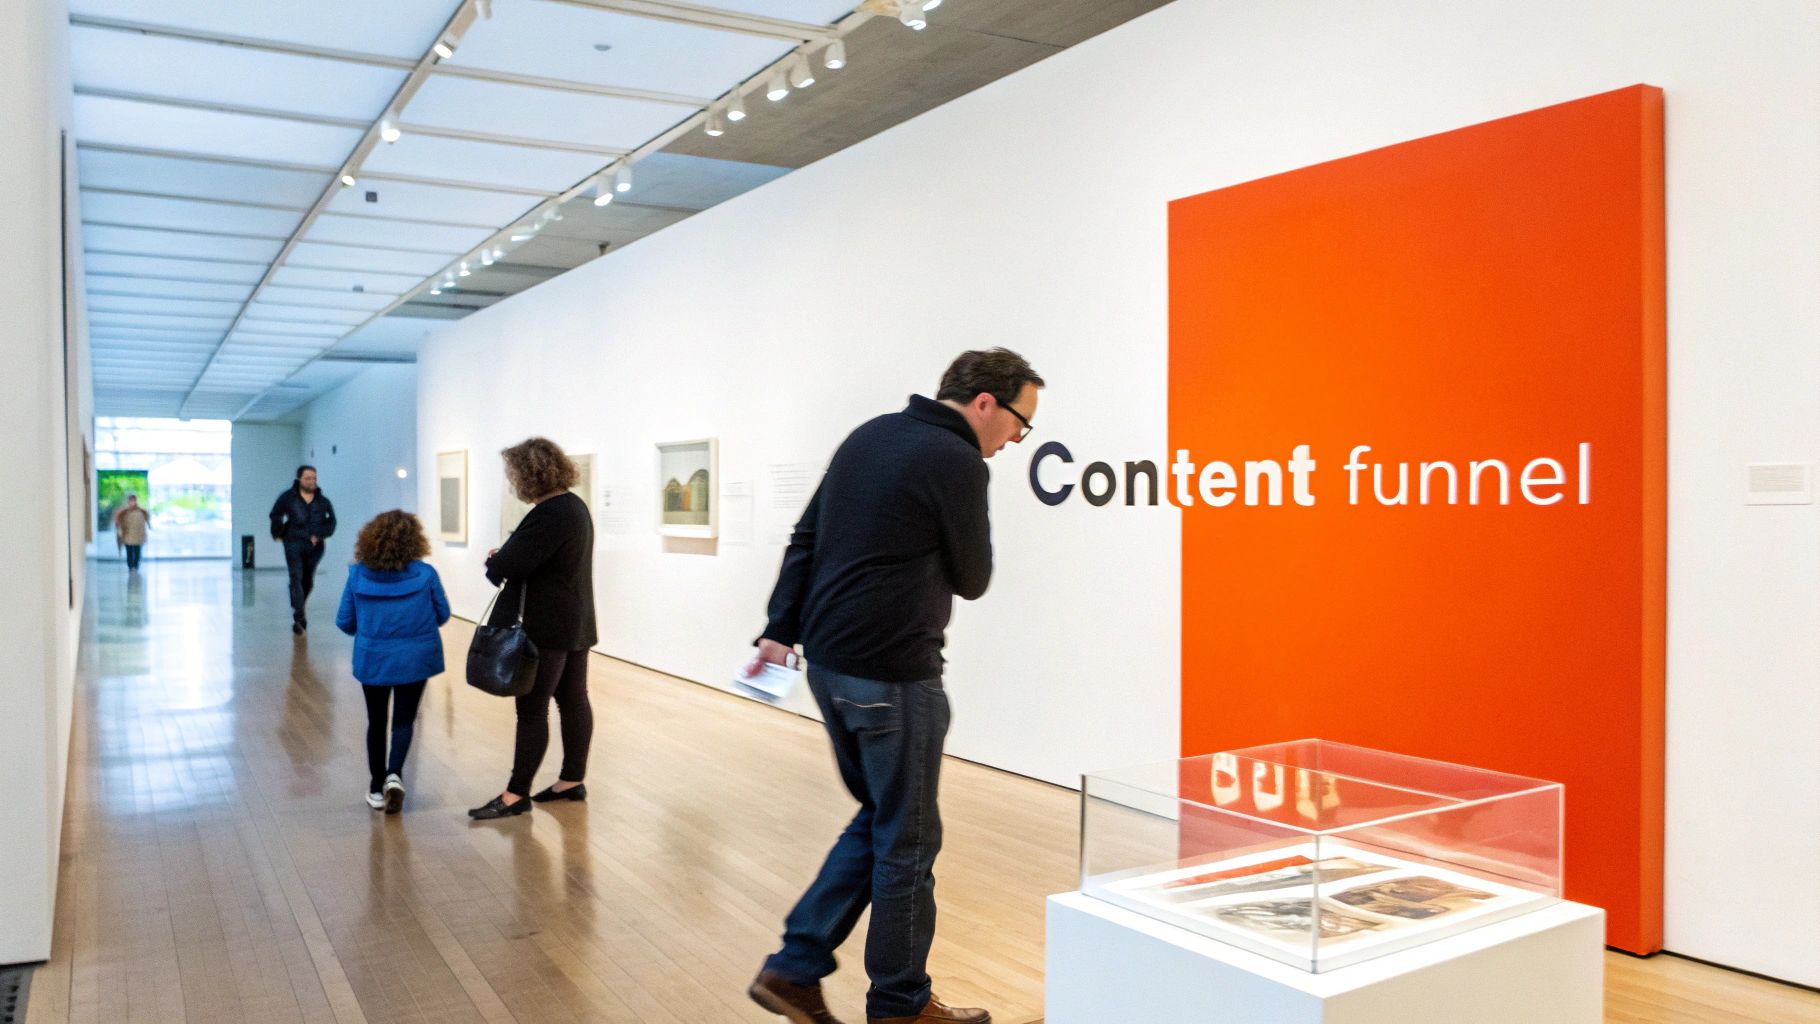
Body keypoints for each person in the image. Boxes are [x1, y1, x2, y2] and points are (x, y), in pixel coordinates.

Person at [745, 348, 1043, 1024]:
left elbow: (805, 538)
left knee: (883, 818)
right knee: (908, 842)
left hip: (829, 663)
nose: (1017, 440)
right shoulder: (958, 459)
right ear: (986, 404)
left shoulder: (870, 434)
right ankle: (901, 1006)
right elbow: (974, 577)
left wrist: (778, 628)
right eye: (1021, 424)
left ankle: (795, 968)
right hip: (895, 673)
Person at [468, 437, 599, 821]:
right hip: (575, 620)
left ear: (529, 474)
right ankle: (571, 780)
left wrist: (497, 559)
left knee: (532, 707)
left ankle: (515, 794)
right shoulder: (574, 507)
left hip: (545, 625)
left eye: (513, 473)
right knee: (573, 697)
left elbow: (508, 566)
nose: (511, 481)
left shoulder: (550, 513)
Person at [336, 510, 450, 813]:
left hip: (374, 659)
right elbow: (443, 614)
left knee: (377, 721)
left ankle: (375, 788)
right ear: (415, 540)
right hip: (415, 658)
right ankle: (394, 775)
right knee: (403, 720)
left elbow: (345, 622)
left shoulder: (357, 574)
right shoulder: (426, 574)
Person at [270, 465, 337, 635]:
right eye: (308, 478)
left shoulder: (323, 501)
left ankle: (299, 607)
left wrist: (321, 535)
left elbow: (332, 522)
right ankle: (299, 616)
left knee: (308, 580)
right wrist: (278, 533)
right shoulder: (288, 497)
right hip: (293, 542)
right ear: (300, 479)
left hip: (315, 546)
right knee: (296, 576)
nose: (312, 481)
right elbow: (275, 513)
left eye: (314, 478)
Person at [112, 493, 150, 571]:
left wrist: (145, 532)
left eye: (133, 500)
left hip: (138, 535)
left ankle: (135, 565)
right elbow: (118, 522)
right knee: (129, 551)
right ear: (128, 501)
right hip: (127, 534)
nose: (132, 502)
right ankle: (130, 566)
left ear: (135, 501)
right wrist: (119, 530)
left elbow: (147, 521)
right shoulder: (123, 512)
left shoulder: (142, 511)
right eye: (130, 500)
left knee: (137, 551)